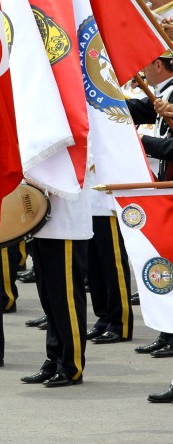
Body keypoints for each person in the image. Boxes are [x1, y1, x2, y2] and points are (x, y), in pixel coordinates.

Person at [20, 183, 92, 387]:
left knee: (66, 302)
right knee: (50, 301)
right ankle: (54, 359)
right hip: (40, 223)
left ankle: (71, 366)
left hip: (66, 225)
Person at [127, 52, 173, 357]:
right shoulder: (165, 93)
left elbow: (170, 147)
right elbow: (137, 109)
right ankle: (167, 332)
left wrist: (138, 143)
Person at [86, 186, 133, 344]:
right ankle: (104, 318)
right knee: (94, 269)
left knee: (113, 267)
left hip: (107, 204)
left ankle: (119, 323)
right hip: (87, 204)